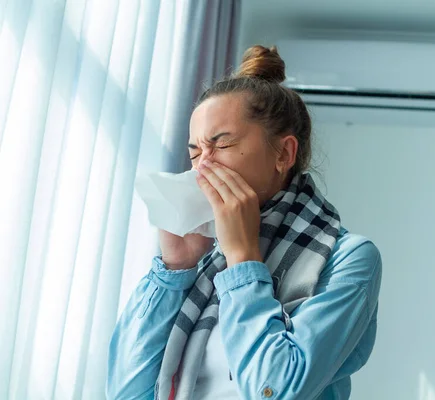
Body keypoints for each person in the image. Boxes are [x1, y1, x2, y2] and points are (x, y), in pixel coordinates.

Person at [106, 45, 382, 400]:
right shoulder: (204, 256)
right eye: (194, 152)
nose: (202, 166)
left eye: (221, 145)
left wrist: (244, 261)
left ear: (283, 154)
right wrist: (174, 271)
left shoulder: (349, 259)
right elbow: (125, 393)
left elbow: (277, 391)